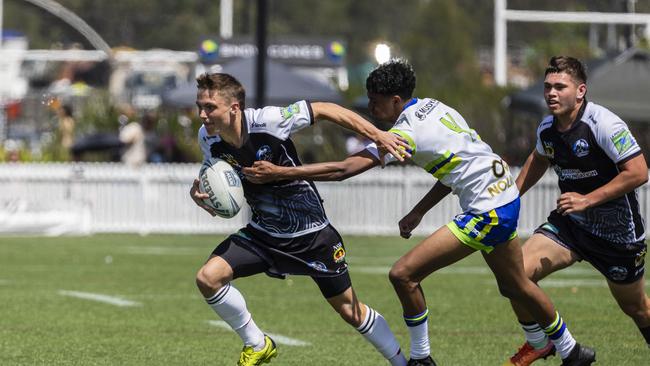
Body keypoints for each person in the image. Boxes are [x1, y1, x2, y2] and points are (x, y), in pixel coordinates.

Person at [243, 59, 596, 366]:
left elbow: (345, 169)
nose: (370, 108)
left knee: (403, 275)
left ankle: (422, 358)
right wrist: (417, 212)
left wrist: (281, 172)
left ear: (396, 101)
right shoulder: (433, 106)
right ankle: (562, 348)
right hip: (503, 197)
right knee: (515, 283)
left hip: (488, 210)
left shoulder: (405, 132)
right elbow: (453, 168)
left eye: (375, 102)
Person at [190, 72, 411, 366]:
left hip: (312, 236)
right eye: (200, 106)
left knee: (350, 310)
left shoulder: (268, 120)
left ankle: (402, 363)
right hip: (263, 235)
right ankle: (257, 343)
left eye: (210, 107)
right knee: (208, 278)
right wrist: (199, 190)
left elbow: (326, 109)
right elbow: (216, 174)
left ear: (234, 108)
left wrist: (378, 134)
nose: (202, 114)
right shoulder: (207, 138)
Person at [502, 56, 649, 366]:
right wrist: (511, 196)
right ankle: (540, 343)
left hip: (617, 234)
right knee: (516, 276)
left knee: (637, 309)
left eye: (560, 87)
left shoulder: (604, 124)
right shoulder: (547, 128)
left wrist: (587, 199)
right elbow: (539, 158)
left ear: (580, 91)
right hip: (570, 226)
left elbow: (638, 172)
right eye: (547, 87)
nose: (551, 93)